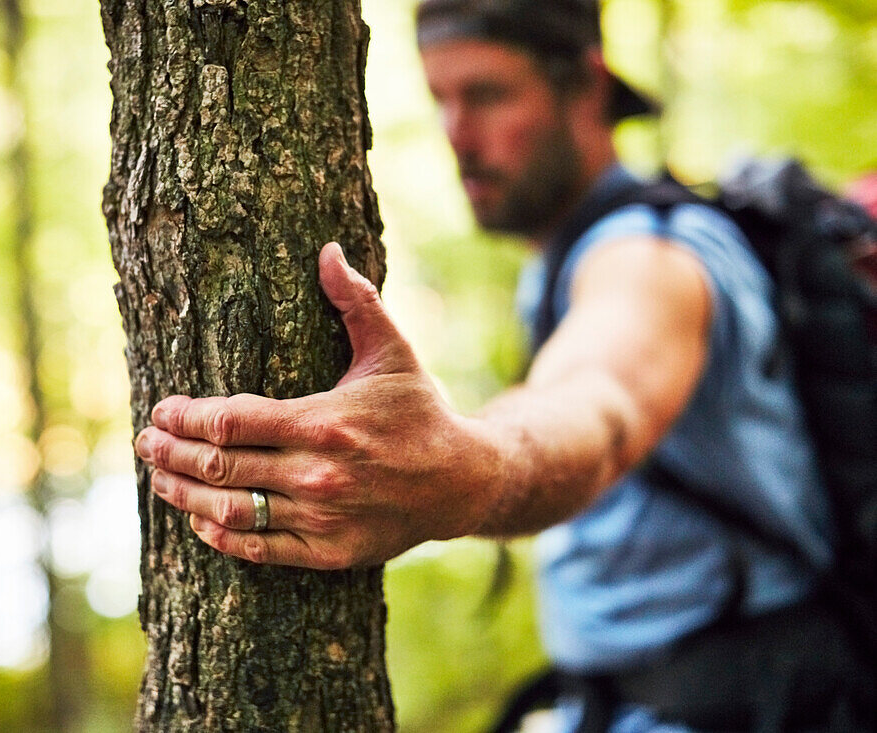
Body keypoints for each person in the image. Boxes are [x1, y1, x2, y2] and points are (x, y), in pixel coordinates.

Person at [133, 0, 869, 729]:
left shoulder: (654, 255)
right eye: (440, 98)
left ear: (585, 84)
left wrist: (470, 464)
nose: (457, 134)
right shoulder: (563, 259)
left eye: (487, 94)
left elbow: (602, 405)